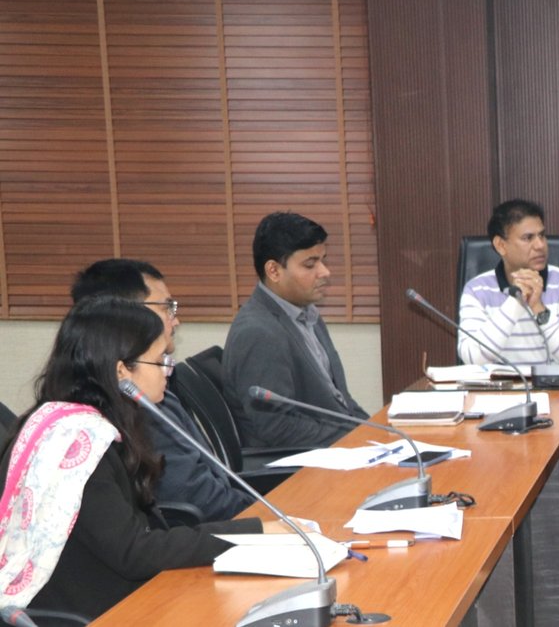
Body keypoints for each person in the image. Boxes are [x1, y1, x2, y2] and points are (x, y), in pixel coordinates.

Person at [1, 298, 279, 619]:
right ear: (122, 371)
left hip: (109, 593)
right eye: (160, 360)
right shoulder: (79, 443)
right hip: (95, 612)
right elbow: (133, 552)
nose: (168, 371)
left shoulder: (66, 418)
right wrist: (251, 533)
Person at [71, 259, 254, 521]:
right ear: (125, 316)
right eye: (166, 308)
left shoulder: (155, 387)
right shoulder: (132, 406)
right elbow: (197, 497)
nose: (175, 320)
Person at [224, 212, 363, 449]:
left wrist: (379, 433)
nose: (325, 272)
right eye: (310, 264)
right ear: (274, 271)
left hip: (333, 446)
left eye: (323, 260)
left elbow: (341, 401)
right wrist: (354, 440)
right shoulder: (258, 333)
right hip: (297, 461)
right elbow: (277, 426)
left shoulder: (307, 313)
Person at [458, 199, 559, 369]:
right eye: (528, 238)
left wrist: (539, 309)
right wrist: (516, 301)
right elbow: (472, 358)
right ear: (500, 245)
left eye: (542, 235)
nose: (540, 245)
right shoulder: (476, 290)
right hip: (499, 386)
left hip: (555, 386)